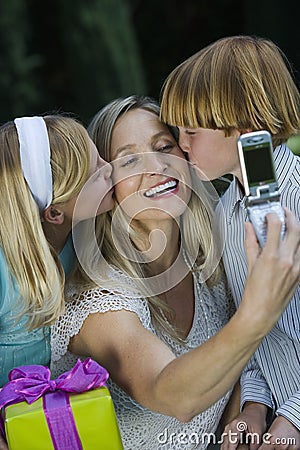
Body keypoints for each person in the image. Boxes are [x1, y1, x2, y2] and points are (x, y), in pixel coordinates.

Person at [51, 95, 300, 450]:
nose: (156, 166)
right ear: (106, 183)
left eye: (164, 146)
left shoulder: (209, 265)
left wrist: (247, 414)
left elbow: (238, 361)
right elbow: (171, 394)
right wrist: (258, 312)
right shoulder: (99, 301)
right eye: (130, 159)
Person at [159, 35, 300, 449]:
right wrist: (255, 404)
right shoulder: (226, 212)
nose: (182, 146)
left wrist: (292, 418)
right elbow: (255, 330)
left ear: (244, 123)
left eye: (191, 130)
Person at [0, 114, 113, 387]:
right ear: (54, 212)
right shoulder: (6, 272)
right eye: (96, 172)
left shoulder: (83, 241)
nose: (109, 167)